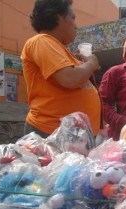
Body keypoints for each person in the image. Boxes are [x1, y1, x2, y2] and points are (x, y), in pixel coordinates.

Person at [21, 0, 102, 138]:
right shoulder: (41, 41)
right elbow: (69, 78)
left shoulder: (58, 48)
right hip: (51, 134)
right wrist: (91, 63)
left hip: (70, 136)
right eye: (73, 18)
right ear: (59, 16)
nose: (76, 26)